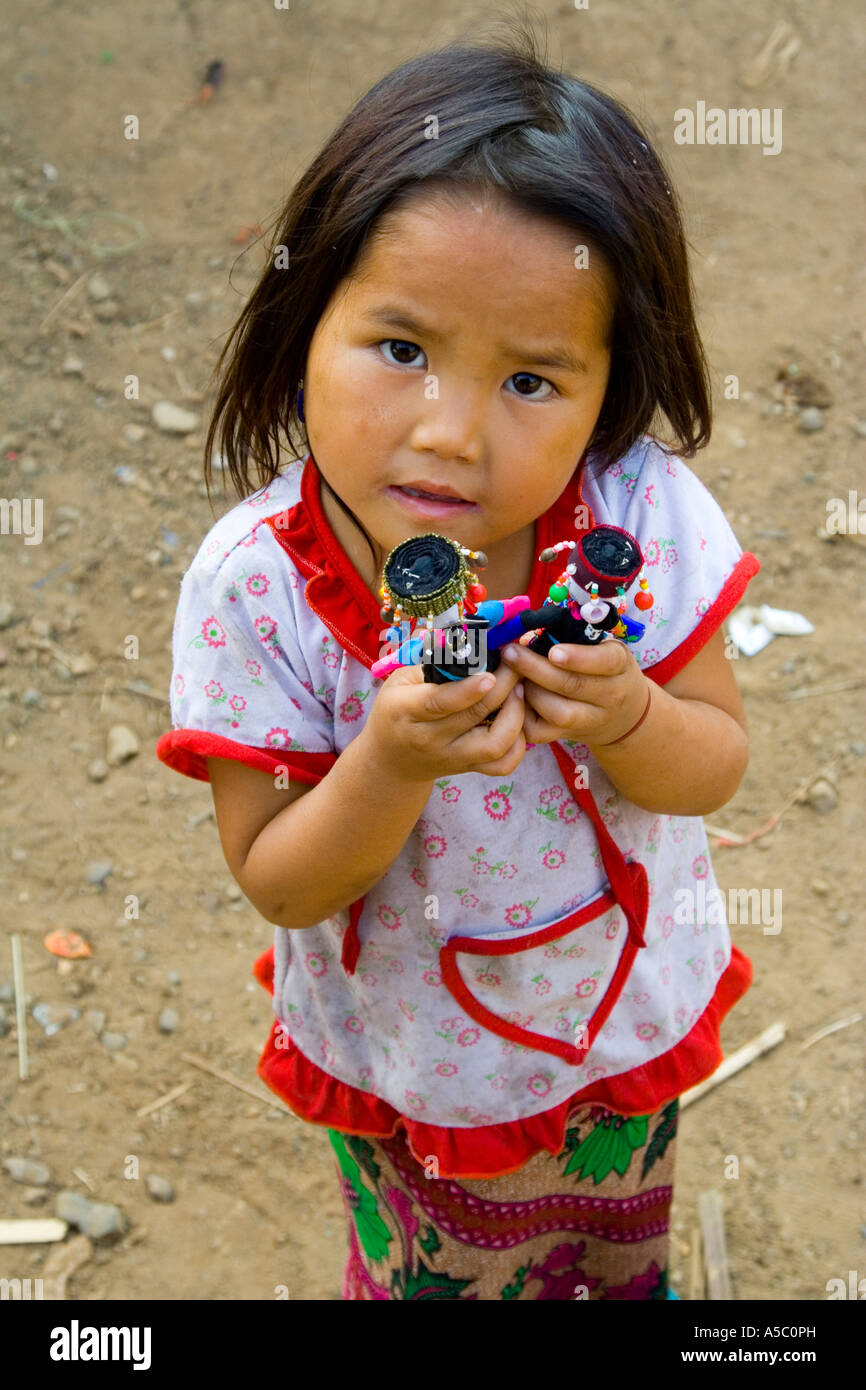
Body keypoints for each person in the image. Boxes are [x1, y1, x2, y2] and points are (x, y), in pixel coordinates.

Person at [156, 27, 760, 1300]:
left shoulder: (632, 523)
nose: (450, 431)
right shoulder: (258, 587)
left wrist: (627, 711)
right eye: (400, 348)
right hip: (417, 1060)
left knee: (607, 1253)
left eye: (532, 376)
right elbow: (276, 876)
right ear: (302, 315)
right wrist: (385, 761)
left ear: (609, 390)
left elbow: (710, 766)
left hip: (613, 1013)